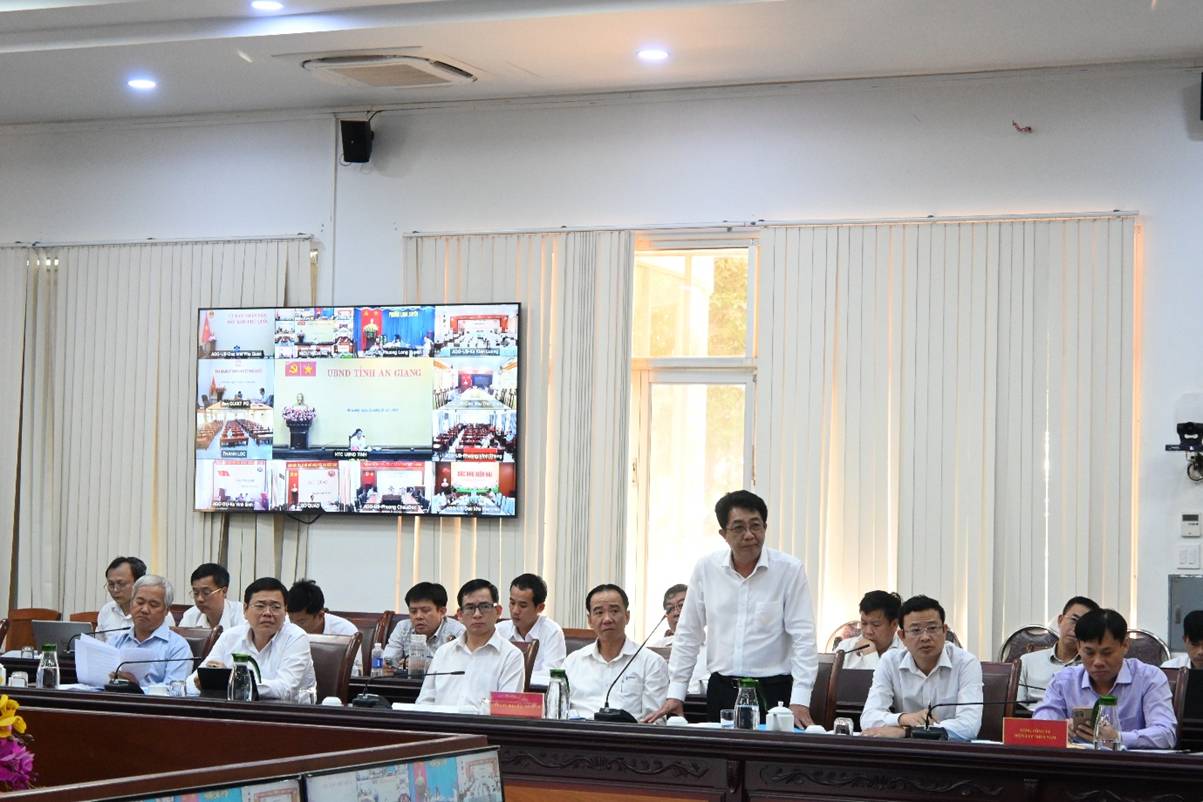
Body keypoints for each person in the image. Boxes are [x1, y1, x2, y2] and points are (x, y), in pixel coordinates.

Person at [643, 490, 818, 727]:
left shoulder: (789, 570)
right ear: (723, 534)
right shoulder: (706, 569)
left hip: (773, 692)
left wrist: (800, 700)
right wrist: (676, 693)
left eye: (755, 526)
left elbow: (803, 639)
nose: (749, 535)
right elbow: (688, 633)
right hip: (722, 689)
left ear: (765, 527)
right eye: (738, 528)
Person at [1033, 608, 1177, 749]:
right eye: (1089, 653)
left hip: (1128, 763)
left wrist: (1117, 738)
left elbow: (1166, 734)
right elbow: (1039, 728)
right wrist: (1059, 730)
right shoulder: (1063, 681)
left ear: (1125, 645)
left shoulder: (1149, 678)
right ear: (1079, 647)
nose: (1098, 662)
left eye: (1107, 653)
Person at [861, 595, 983, 741]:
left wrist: (909, 731)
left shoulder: (966, 663)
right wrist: (903, 718)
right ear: (902, 636)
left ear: (944, 631)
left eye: (932, 628)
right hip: (906, 750)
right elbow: (868, 718)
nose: (925, 637)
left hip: (950, 750)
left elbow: (969, 726)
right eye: (916, 630)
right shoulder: (890, 662)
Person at [190, 577, 316, 700]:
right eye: (260, 606)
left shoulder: (296, 638)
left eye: (276, 607)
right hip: (235, 710)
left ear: (285, 611)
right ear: (245, 609)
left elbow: (285, 689)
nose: (267, 613)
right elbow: (193, 681)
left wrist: (231, 680)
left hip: (284, 712)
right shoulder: (230, 637)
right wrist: (205, 680)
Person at [563, 584, 668, 719]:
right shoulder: (572, 662)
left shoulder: (652, 663)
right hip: (577, 731)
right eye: (599, 612)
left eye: (614, 611)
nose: (607, 619)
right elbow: (557, 711)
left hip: (626, 732)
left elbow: (655, 720)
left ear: (627, 616)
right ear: (590, 620)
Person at [416, 579, 524, 711]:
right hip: (440, 724)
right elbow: (424, 701)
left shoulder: (511, 656)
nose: (477, 614)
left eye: (485, 607)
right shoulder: (443, 652)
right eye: (470, 608)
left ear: (498, 611)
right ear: (460, 615)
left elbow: (506, 710)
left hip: (482, 724)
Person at [106, 575, 194, 687]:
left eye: (153, 605)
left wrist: (137, 688)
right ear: (131, 603)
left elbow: (174, 689)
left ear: (166, 610)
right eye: (140, 602)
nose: (144, 610)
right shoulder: (115, 642)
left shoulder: (178, 647)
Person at [1018, 595, 1100, 703]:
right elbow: (1016, 706)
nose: (1076, 628)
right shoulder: (1027, 661)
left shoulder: (1093, 667)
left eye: (1084, 625)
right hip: (1034, 713)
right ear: (1060, 620)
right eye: (1074, 620)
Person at [496, 573, 566, 686]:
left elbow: (551, 676)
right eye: (512, 603)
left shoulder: (552, 632)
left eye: (523, 606)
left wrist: (512, 677)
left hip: (537, 694)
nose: (515, 610)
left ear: (540, 607)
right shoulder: (499, 630)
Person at [286, 579, 362, 673]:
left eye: (301, 622)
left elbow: (355, 673)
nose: (294, 627)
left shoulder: (345, 631)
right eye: (291, 620)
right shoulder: (283, 625)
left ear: (320, 615)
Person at [384, 582, 466, 662]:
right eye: (413, 611)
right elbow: (388, 660)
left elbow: (462, 664)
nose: (418, 616)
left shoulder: (457, 631)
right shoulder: (403, 628)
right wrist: (391, 664)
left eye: (425, 610)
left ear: (442, 612)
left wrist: (424, 664)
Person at [649, 583, 708, 695]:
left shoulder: (715, 648)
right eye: (670, 608)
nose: (676, 613)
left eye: (681, 605)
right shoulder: (656, 649)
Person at [837, 591, 904, 670]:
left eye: (876, 625)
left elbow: (881, 678)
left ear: (894, 624)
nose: (868, 631)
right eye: (864, 623)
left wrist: (870, 654)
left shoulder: (906, 652)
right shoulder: (846, 647)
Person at [178, 563, 243, 631]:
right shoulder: (190, 616)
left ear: (224, 591)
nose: (199, 599)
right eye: (196, 593)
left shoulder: (240, 615)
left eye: (206, 592)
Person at [97, 556, 148, 640]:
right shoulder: (107, 610)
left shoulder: (156, 613)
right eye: (111, 584)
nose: (115, 590)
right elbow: (98, 644)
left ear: (139, 583)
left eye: (121, 584)